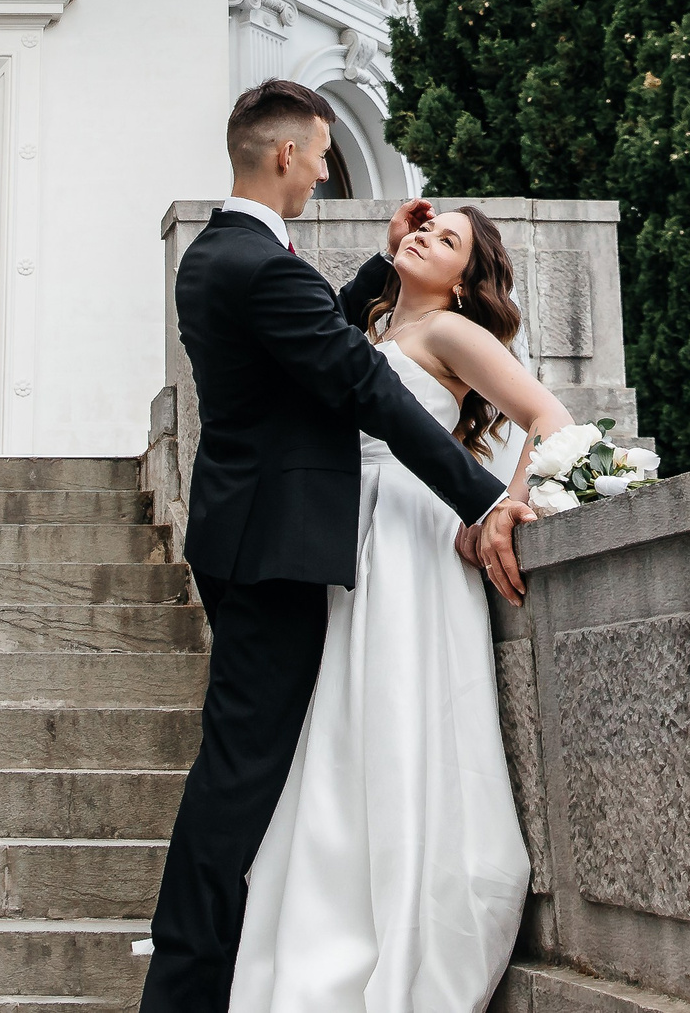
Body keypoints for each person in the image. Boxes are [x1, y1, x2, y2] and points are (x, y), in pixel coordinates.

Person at [141, 81, 535, 1013]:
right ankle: (182, 990)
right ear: (284, 156)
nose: (326, 169)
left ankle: (214, 966)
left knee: (245, 773)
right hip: (275, 548)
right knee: (236, 781)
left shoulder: (224, 253)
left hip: (251, 536)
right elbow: (364, 382)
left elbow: (318, 329)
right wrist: (483, 501)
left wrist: (374, 269)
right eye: (321, 153)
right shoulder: (258, 264)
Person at [228, 201, 562, 1013]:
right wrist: (388, 255)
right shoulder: (370, 328)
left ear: (466, 277)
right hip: (353, 542)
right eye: (424, 226)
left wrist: (502, 511)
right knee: (347, 728)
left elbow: (548, 419)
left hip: (412, 540)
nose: (424, 236)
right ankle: (330, 934)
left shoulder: (450, 333)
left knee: (399, 716)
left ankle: (407, 930)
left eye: (448, 240)